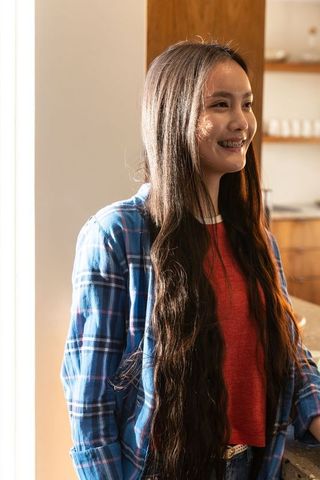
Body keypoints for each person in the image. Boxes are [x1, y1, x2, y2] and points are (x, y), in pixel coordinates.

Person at [61, 41, 320, 480]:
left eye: (247, 104)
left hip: (255, 464)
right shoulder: (118, 235)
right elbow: (91, 403)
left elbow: (288, 355)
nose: (242, 122)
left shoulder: (257, 241)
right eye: (221, 105)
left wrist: (314, 412)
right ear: (173, 116)